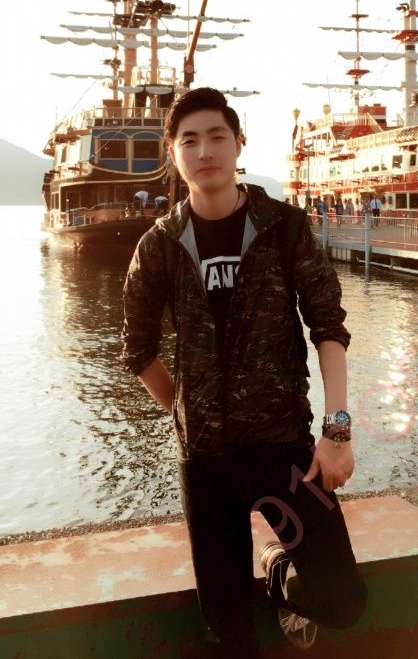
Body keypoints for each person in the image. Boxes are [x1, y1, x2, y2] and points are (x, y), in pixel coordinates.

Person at [121, 88, 366, 657]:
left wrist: (336, 431)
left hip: (285, 450)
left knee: (342, 599)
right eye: (189, 140)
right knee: (231, 632)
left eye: (217, 136)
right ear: (173, 153)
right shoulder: (158, 246)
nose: (204, 150)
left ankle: (279, 570)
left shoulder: (284, 228)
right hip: (206, 465)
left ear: (238, 144)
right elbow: (138, 350)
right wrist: (187, 412)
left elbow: (328, 328)